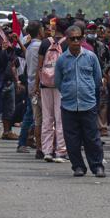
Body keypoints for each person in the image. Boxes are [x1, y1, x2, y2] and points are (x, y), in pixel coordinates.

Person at [55, 26, 106, 177]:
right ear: (67, 40)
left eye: (79, 38)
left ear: (82, 39)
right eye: (72, 39)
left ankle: (97, 166)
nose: (76, 41)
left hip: (88, 104)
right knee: (72, 140)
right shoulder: (62, 60)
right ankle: (78, 166)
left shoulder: (91, 57)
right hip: (69, 105)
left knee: (92, 138)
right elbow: (58, 82)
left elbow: (97, 79)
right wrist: (69, 91)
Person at [38, 20, 68, 162]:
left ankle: (47, 151)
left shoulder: (45, 43)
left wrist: (37, 85)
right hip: (61, 86)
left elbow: (39, 66)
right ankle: (61, 151)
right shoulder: (67, 43)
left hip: (45, 84)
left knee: (47, 118)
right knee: (60, 118)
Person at [19, 20, 44, 155]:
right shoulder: (38, 46)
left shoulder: (30, 46)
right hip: (36, 84)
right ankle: (23, 141)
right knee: (32, 116)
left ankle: (27, 140)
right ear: (39, 31)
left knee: (32, 115)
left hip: (31, 83)